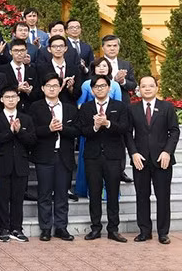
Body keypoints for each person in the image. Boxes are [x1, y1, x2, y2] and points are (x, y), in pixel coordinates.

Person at [126, 75, 179, 245]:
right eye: (143, 86)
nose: (147, 89)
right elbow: (127, 133)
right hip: (140, 159)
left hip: (162, 159)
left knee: (163, 197)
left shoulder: (167, 107)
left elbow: (174, 131)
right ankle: (144, 231)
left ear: (157, 88)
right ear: (139, 89)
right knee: (142, 196)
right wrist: (133, 153)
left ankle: (163, 233)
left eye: (151, 86)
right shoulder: (132, 109)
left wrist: (167, 152)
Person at [29, 73, 79, 242]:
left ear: (60, 88)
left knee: (62, 194)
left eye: (55, 86)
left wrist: (62, 128)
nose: (52, 88)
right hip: (44, 156)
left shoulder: (70, 108)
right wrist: (48, 129)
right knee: (44, 194)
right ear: (43, 88)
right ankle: (45, 228)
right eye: (48, 86)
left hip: (63, 156)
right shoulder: (35, 107)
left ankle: (61, 227)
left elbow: (76, 131)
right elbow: (32, 132)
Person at [78, 75, 128, 243]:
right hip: (92, 157)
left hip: (113, 156)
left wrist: (107, 124)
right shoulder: (85, 108)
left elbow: (124, 128)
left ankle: (113, 229)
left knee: (113, 193)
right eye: (96, 87)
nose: (100, 89)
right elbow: (82, 131)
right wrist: (95, 126)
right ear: (92, 90)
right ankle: (95, 227)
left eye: (103, 86)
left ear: (109, 88)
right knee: (94, 192)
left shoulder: (119, 106)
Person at [0, 86, 36, 243]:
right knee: (2, 198)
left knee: (18, 198)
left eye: (13, 96)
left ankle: (17, 228)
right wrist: (10, 132)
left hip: (20, 163)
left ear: (18, 99)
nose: (10, 99)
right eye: (7, 97)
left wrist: (19, 131)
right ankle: (3, 228)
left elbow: (32, 141)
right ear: (1, 99)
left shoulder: (27, 118)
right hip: (1, 163)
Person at [75, 58, 122, 198]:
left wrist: (107, 120)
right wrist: (90, 114)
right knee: (89, 164)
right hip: (91, 129)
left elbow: (119, 106)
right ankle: (88, 190)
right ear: (93, 69)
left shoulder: (115, 85)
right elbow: (79, 104)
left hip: (110, 130)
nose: (101, 68)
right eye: (98, 66)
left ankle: (108, 193)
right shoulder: (86, 84)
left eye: (104, 65)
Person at [0, 39, 39, 112]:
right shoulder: (1, 70)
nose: (19, 53)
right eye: (16, 51)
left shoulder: (32, 70)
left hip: (28, 110)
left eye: (22, 50)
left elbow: (37, 93)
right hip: (8, 110)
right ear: (10, 52)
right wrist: (17, 89)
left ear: (26, 51)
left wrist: (29, 91)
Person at [37, 35, 81, 105]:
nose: (58, 49)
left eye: (61, 46)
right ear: (49, 49)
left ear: (65, 48)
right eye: (54, 46)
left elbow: (78, 93)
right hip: (48, 106)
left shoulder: (74, 68)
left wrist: (70, 88)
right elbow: (38, 92)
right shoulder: (42, 69)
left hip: (69, 107)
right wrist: (60, 86)